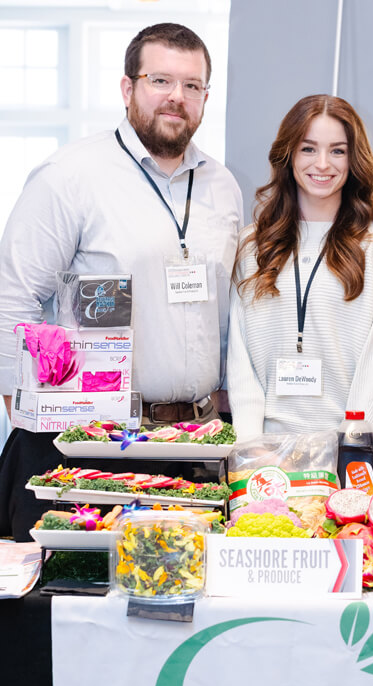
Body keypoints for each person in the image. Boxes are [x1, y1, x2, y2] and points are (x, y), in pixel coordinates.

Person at [0, 22, 243, 539]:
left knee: (178, 602)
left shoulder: (222, 186)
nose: (177, 97)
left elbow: (227, 311)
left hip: (192, 444)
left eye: (192, 86)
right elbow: (12, 299)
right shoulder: (70, 176)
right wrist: (31, 416)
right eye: (160, 80)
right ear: (127, 88)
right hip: (83, 445)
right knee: (69, 607)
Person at [227, 94, 373, 442]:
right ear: (289, 155)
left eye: (338, 151)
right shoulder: (253, 244)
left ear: (353, 158)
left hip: (348, 453)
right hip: (265, 454)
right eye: (309, 149)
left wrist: (351, 446)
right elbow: (241, 362)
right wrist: (250, 450)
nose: (323, 164)